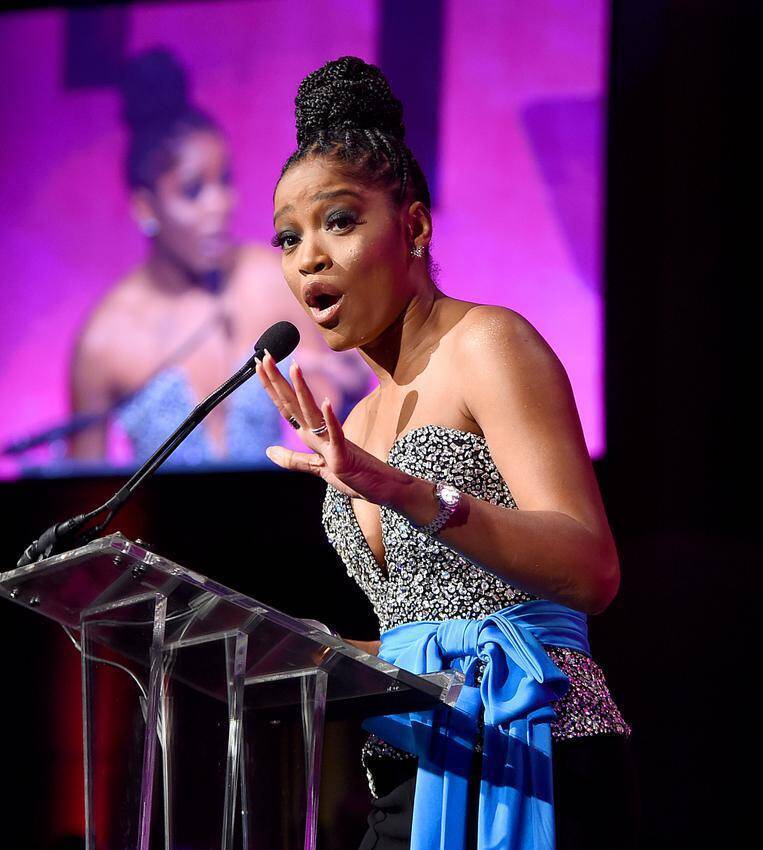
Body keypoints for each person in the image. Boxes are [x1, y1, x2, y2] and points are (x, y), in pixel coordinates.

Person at [253, 57, 640, 849]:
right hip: (413, 770)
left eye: (339, 221)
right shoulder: (357, 422)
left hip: (539, 753)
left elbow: (592, 568)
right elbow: (422, 629)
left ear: (416, 226)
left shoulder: (486, 344)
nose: (309, 257)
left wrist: (406, 492)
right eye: (289, 238)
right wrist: (319, 653)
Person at [69, 47, 364, 468]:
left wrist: (345, 390)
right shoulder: (105, 340)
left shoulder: (271, 279)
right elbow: (82, 491)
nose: (220, 205)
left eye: (224, 182)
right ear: (145, 207)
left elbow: (328, 412)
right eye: (193, 191)